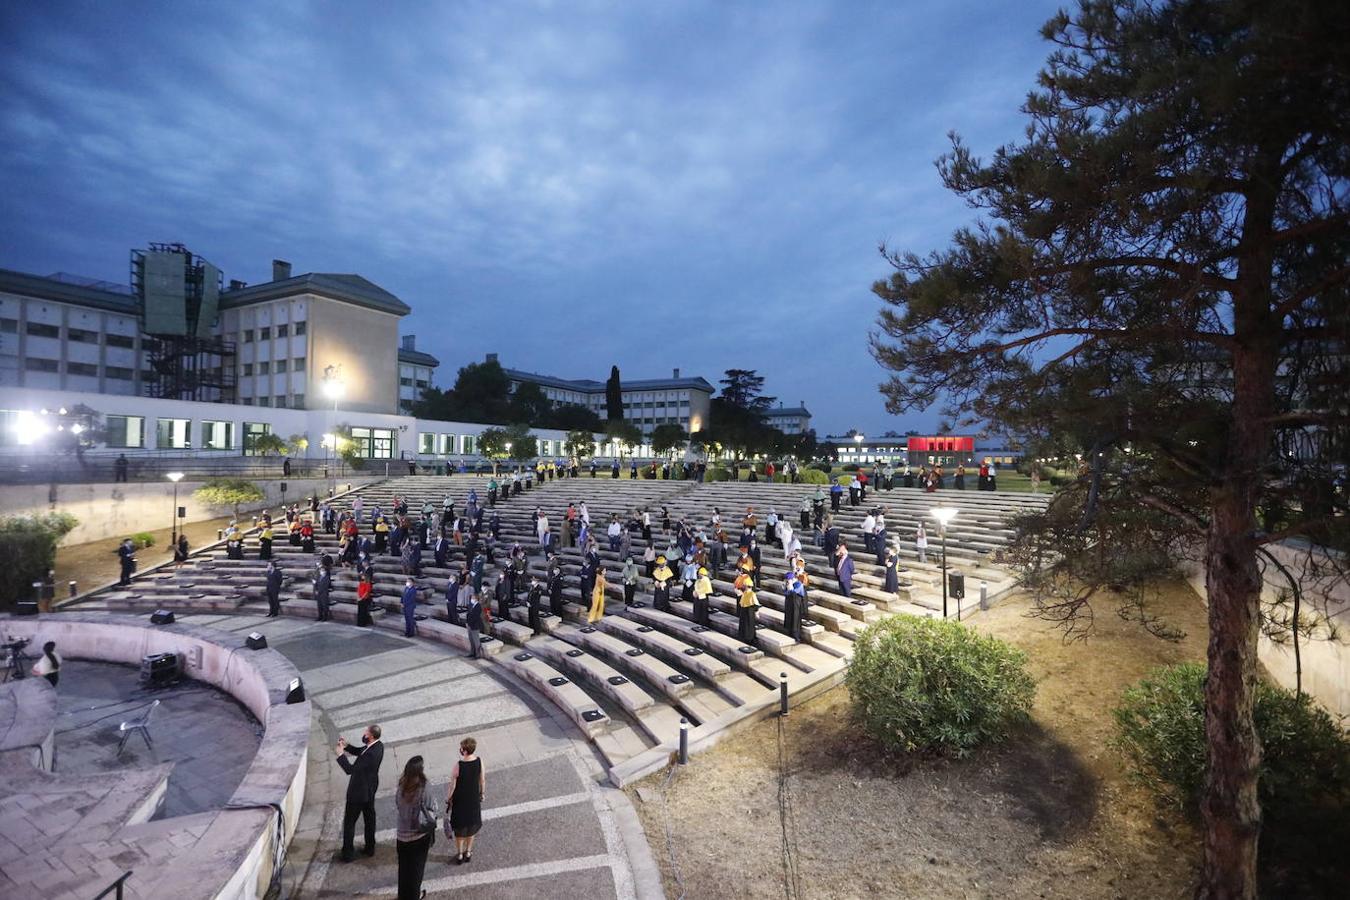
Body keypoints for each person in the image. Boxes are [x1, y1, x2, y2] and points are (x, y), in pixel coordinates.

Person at [336, 724, 384, 862]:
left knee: (350, 822)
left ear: (371, 736)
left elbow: (349, 769)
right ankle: (370, 847)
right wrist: (347, 746)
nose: (364, 734)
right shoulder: (377, 746)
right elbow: (360, 751)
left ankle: (348, 853)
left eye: (366, 733)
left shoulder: (370, 754)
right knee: (369, 819)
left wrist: (340, 754)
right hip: (369, 790)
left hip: (358, 793)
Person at [394, 755, 435, 900]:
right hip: (418, 836)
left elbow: (398, 805)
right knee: (416, 869)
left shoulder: (401, 786)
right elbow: (432, 808)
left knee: (404, 869)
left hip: (402, 835)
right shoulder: (424, 787)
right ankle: (414, 896)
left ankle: (402, 896)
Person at [447, 737, 484, 865]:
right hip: (473, 799)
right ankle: (468, 852)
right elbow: (482, 780)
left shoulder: (459, 765)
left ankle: (460, 854)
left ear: (464, 750)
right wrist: (482, 793)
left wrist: (449, 798)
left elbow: (452, 785)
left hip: (460, 799)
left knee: (460, 829)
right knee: (471, 826)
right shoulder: (479, 762)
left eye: (461, 748)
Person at [737, 581, 759, 646]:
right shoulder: (745, 593)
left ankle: (750, 639)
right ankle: (744, 637)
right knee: (744, 624)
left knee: (749, 625)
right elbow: (742, 603)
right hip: (744, 610)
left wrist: (757, 612)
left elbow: (756, 604)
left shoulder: (752, 594)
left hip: (750, 611)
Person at [465, 593, 485, 659]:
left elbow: (475, 617)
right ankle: (472, 652)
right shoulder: (471, 605)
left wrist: (470, 623)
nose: (472, 599)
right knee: (471, 640)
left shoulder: (478, 606)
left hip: (475, 625)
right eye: (471, 598)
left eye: (473, 598)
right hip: (470, 625)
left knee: (476, 641)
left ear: (476, 599)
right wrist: (467, 622)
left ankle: (478, 654)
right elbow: (468, 614)